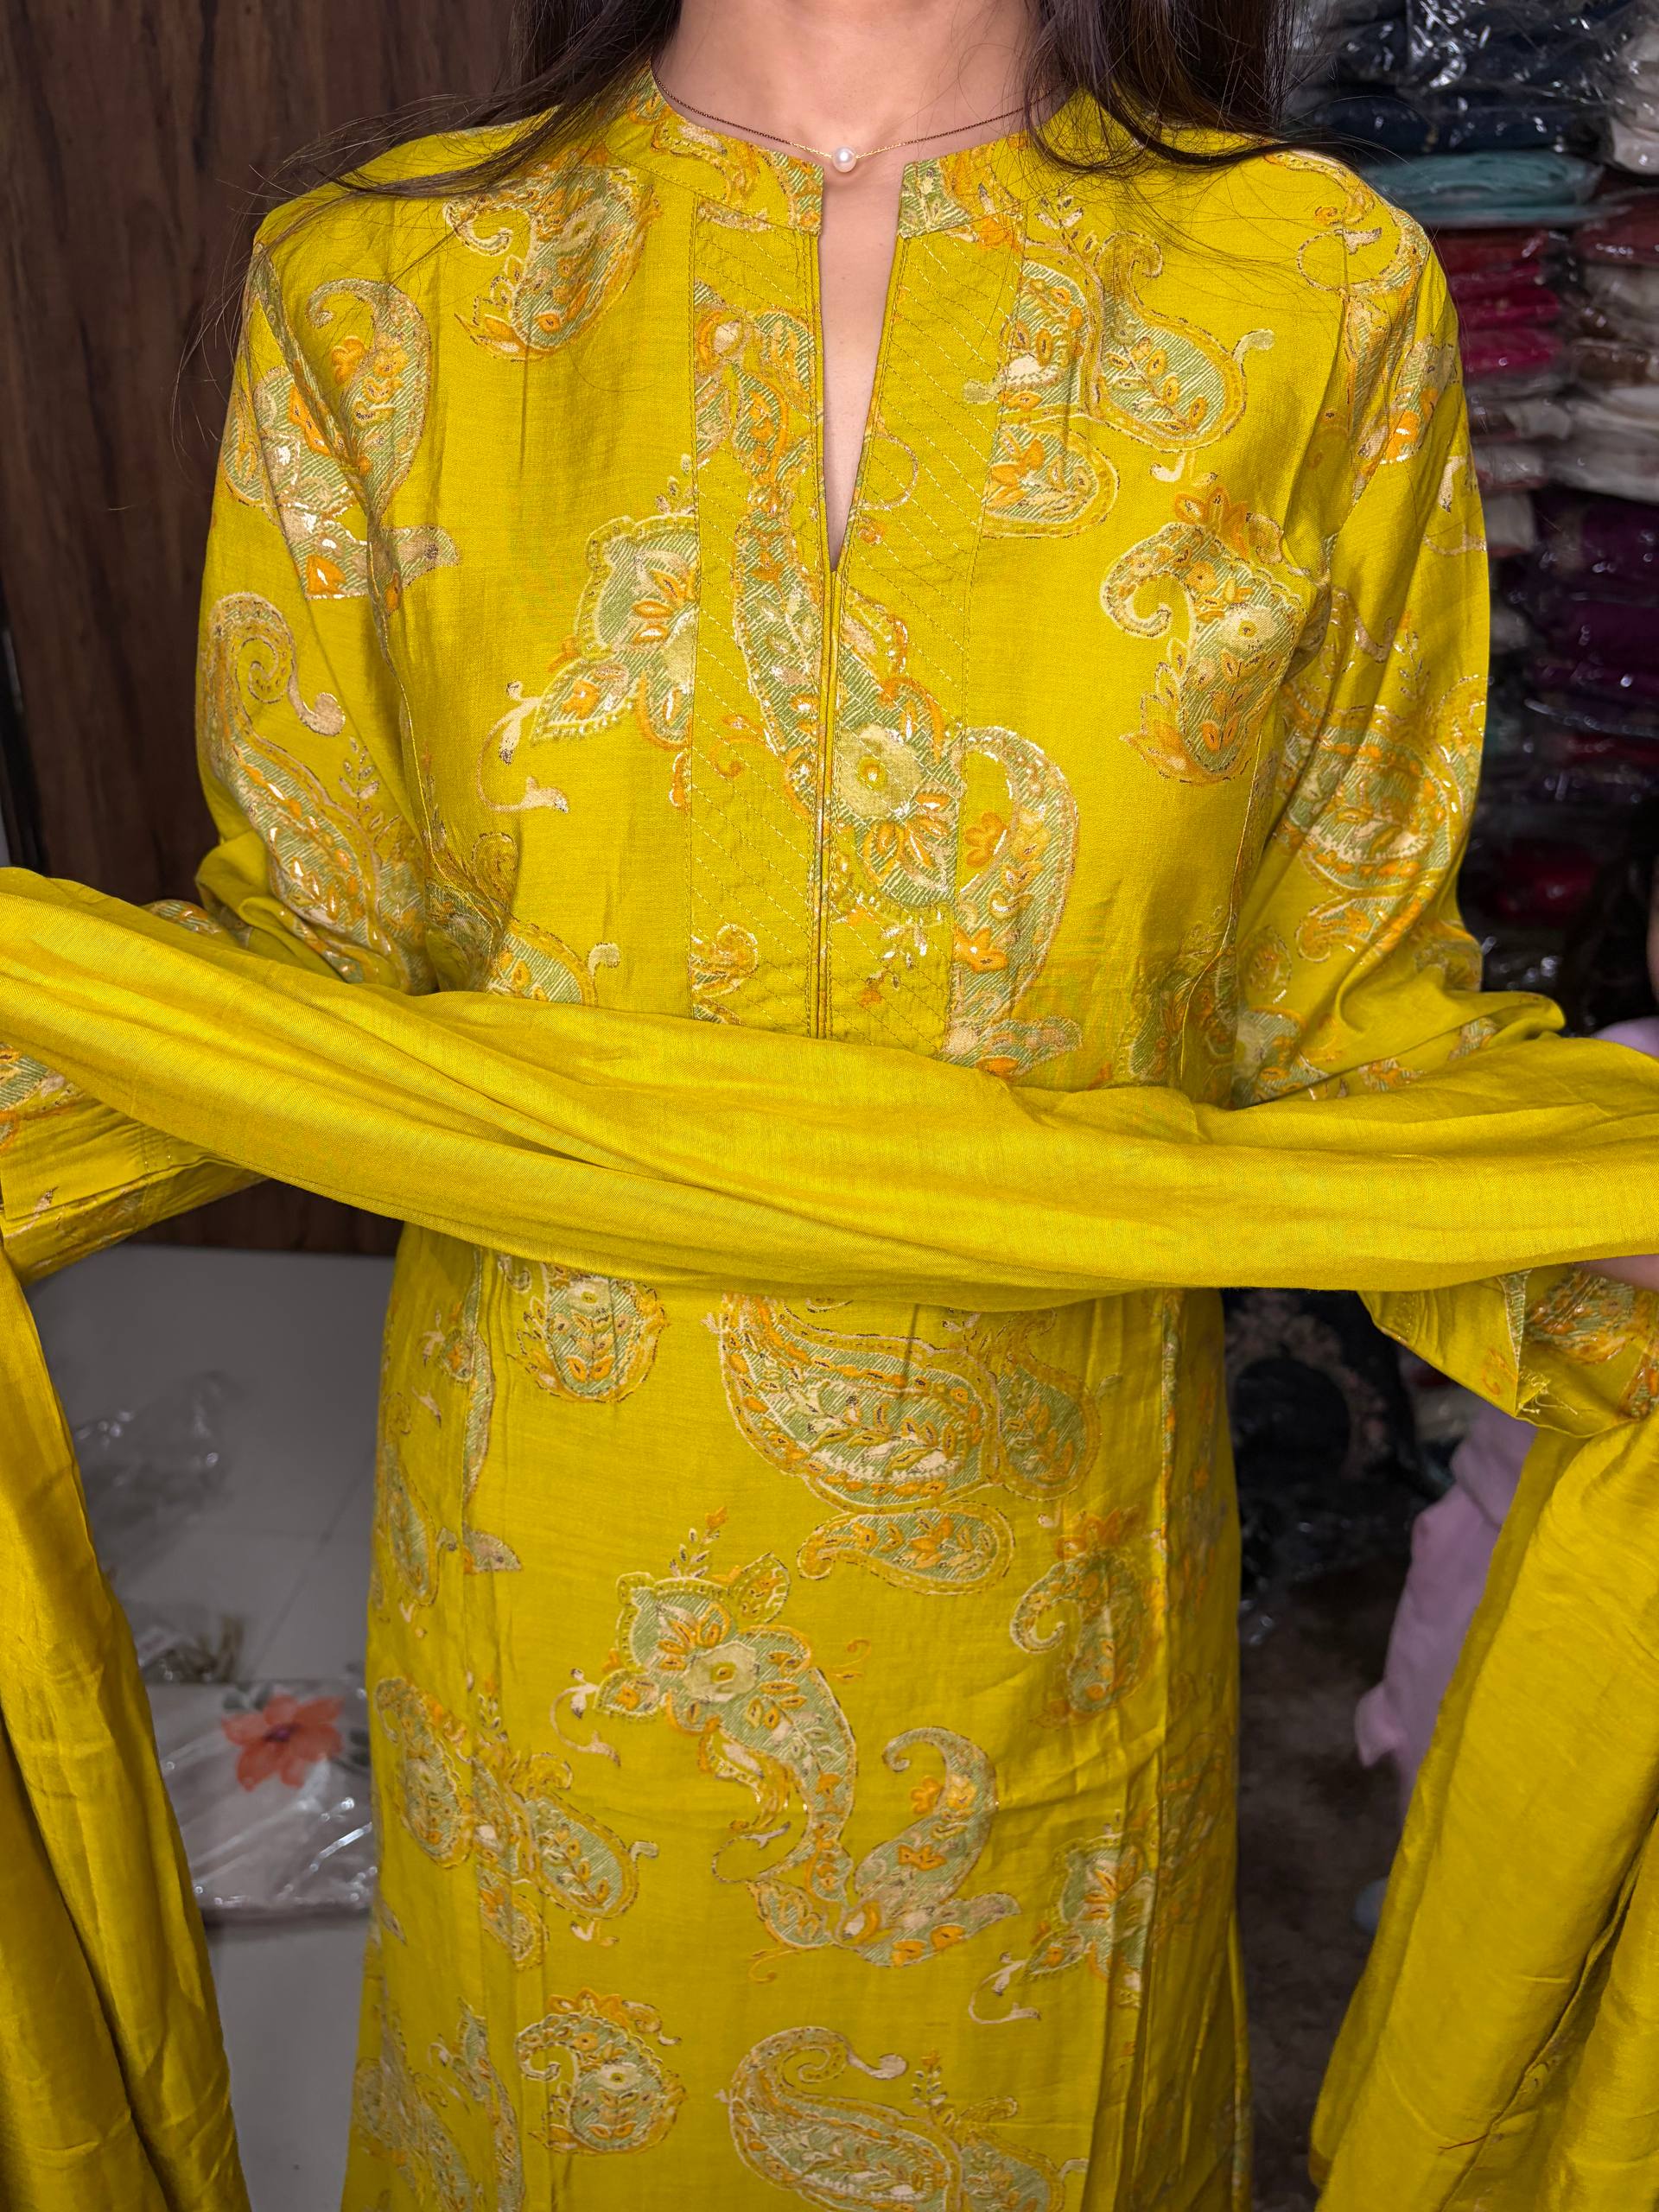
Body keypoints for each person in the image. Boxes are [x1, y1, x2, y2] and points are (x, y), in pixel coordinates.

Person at [3, 1, 1658, 2207]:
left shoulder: (1308, 291)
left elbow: (1339, 1008)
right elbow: (310, 956)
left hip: (1047, 1621)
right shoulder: (383, 286)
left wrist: (1590, 1214)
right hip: (555, 1603)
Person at [1357, 799, 1659, 1823]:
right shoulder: (1620, 1073)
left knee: (1577, 1793)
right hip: (1512, 1517)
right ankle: (1420, 1879)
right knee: (1460, 1729)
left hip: (1624, 1563)